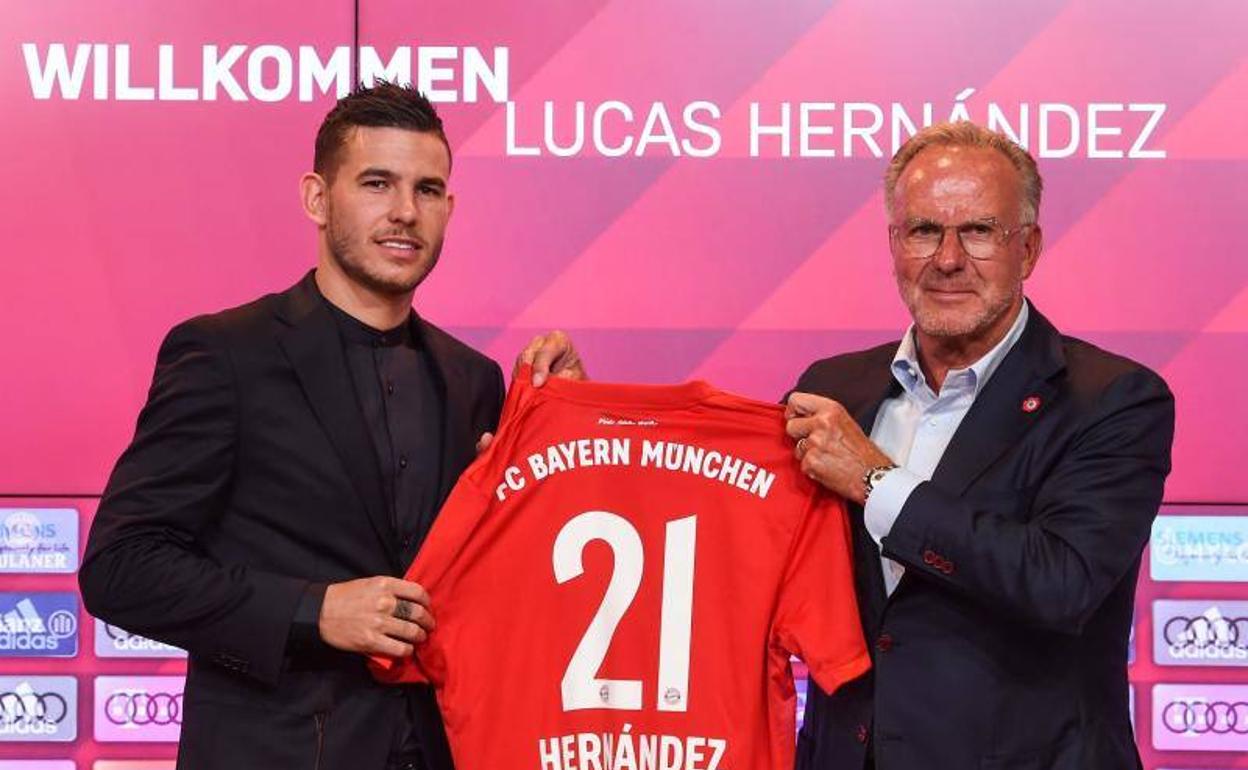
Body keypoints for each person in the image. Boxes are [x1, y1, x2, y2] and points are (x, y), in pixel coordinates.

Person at [79, 82, 583, 770]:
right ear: (318, 198)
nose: (406, 212)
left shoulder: (474, 380)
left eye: (428, 190)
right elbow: (121, 569)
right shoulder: (226, 355)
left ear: (450, 208)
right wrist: (313, 611)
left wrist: (561, 433)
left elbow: (509, 589)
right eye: (377, 183)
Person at [785, 121, 1173, 770]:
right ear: (893, 244)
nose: (947, 259)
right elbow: (735, 528)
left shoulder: (1113, 399)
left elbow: (1060, 582)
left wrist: (878, 483)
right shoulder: (833, 387)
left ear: (1028, 248)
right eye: (924, 230)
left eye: (979, 231)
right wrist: (579, 413)